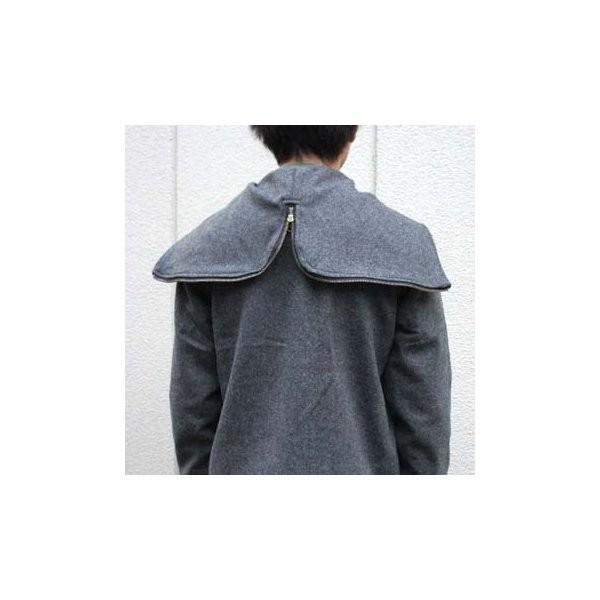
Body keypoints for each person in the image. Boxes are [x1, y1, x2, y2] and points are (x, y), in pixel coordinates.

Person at [153, 125, 452, 474]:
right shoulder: (404, 245)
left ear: (265, 133)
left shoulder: (207, 248)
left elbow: (193, 416)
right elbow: (424, 415)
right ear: (351, 133)